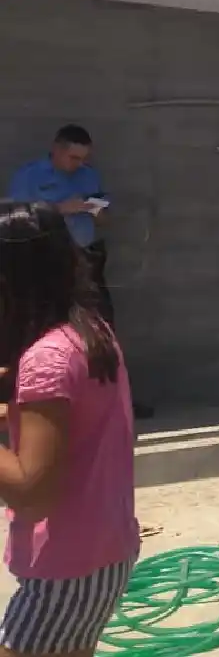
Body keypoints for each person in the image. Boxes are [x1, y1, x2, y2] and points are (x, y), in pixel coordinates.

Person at [0, 201, 140, 654]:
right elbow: (77, 423)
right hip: (104, 550)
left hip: (65, 568)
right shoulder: (90, 333)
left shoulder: (46, 358)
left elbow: (31, 491)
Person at [8, 125, 154, 419]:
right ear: (57, 149)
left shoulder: (88, 176)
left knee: (100, 325)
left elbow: (104, 216)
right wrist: (61, 208)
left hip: (87, 257)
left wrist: (97, 211)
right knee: (43, 328)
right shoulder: (30, 176)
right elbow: (17, 219)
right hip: (45, 262)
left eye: (83, 159)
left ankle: (113, 397)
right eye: (73, 158)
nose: (78, 165)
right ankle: (34, 401)